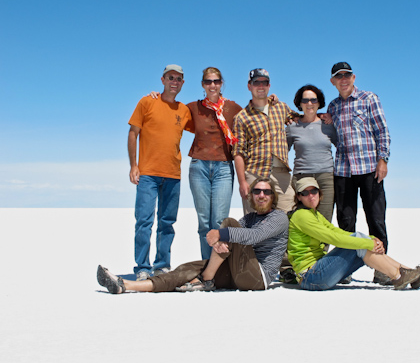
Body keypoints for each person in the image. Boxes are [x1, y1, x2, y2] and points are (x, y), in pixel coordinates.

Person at [97, 178, 289, 294]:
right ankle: (127, 285)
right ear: (252, 196)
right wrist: (220, 243)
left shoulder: (279, 217)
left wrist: (220, 234)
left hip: (259, 278)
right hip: (240, 272)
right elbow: (236, 236)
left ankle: (206, 280)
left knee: (229, 224)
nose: (261, 195)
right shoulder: (250, 217)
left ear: (273, 197)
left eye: (266, 192)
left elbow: (255, 236)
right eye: (257, 191)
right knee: (188, 269)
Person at [287, 177, 420, 290]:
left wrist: (370, 239)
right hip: (311, 277)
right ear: (299, 197)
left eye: (314, 191)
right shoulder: (301, 215)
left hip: (319, 273)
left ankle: (410, 273)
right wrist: (368, 243)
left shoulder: (315, 215)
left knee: (360, 240)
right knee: (359, 242)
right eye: (305, 193)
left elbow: (337, 231)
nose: (311, 195)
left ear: (319, 193)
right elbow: (333, 238)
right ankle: (399, 277)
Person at [326, 62, 392, 284]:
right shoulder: (333, 107)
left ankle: (382, 269)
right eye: (339, 76)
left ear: (353, 78)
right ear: (333, 81)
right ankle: (345, 270)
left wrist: (382, 159)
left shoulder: (369, 98)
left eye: (347, 75)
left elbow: (381, 130)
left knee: (376, 219)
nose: (343, 79)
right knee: (346, 221)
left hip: (369, 169)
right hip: (343, 170)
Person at [127, 64, 193, 281]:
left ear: (182, 83)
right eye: (170, 77)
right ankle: (142, 267)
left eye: (179, 79)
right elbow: (133, 133)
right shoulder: (147, 102)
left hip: (173, 174)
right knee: (144, 221)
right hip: (147, 173)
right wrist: (133, 165)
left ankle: (162, 265)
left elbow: (205, 121)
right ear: (163, 80)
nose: (174, 82)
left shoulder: (183, 111)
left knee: (167, 222)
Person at [233, 68, 297, 215]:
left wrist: (324, 116)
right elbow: (238, 152)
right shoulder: (242, 117)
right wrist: (242, 182)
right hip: (255, 174)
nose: (260, 86)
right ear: (249, 86)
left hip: (282, 174)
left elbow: (302, 118)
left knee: (289, 219)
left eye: (264, 82)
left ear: (269, 86)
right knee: (255, 223)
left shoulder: (281, 108)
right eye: (256, 83)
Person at [286, 84, 337, 223]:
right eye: (305, 100)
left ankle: (323, 246)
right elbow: (282, 151)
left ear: (319, 103)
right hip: (302, 177)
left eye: (313, 100)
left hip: (326, 177)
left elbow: (342, 146)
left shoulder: (328, 125)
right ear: (299, 103)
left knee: (324, 221)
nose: (310, 103)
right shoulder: (292, 127)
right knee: (304, 221)